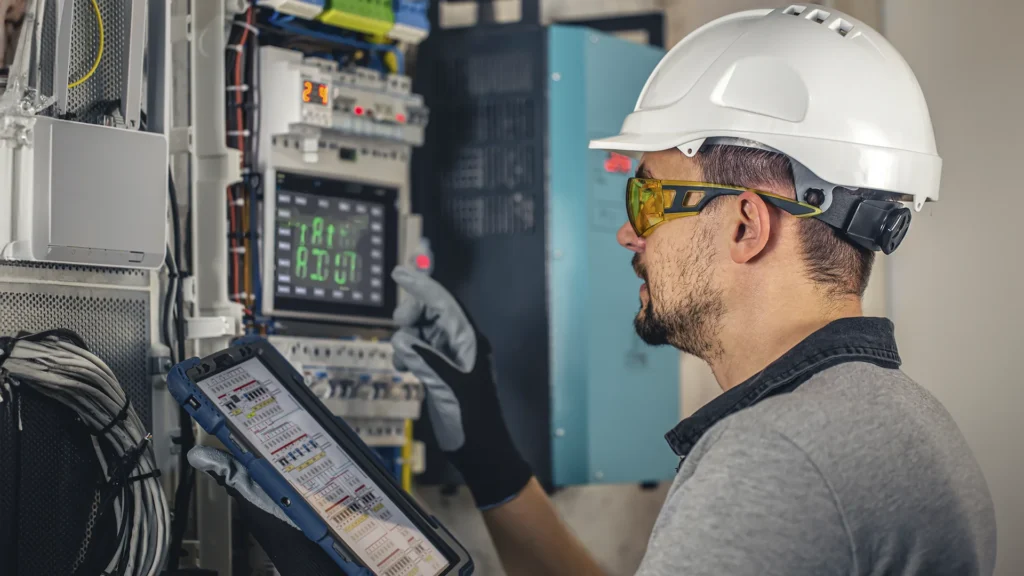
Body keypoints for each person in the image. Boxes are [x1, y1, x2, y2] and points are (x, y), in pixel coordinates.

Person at [190, 5, 997, 575]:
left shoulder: (777, 456)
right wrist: (488, 449)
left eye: (646, 197)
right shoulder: (902, 419)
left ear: (748, 226)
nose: (627, 232)